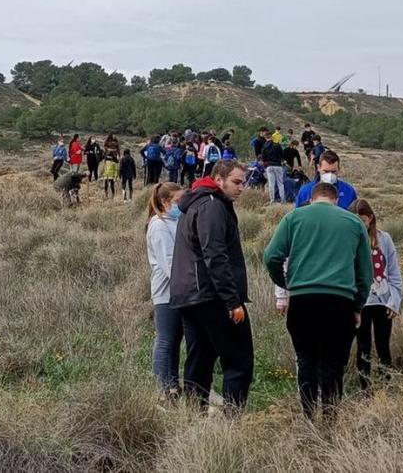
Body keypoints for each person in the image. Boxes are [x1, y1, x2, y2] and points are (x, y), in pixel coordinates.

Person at [264, 182, 371, 419]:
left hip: (303, 299)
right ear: (336, 200)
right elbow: (365, 272)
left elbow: (271, 256)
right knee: (334, 365)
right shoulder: (353, 222)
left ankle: (309, 417)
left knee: (306, 361)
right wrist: (358, 305)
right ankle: (331, 419)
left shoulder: (294, 218)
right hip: (340, 301)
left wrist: (285, 283)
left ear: (312, 199)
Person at [169, 161, 253, 412]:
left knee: (200, 358)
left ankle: (194, 415)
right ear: (219, 179)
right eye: (236, 182)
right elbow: (215, 255)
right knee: (239, 359)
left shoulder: (196, 203)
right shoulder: (212, 206)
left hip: (190, 295)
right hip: (210, 295)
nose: (242, 188)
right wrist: (232, 301)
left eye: (243, 182)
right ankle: (232, 420)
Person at [349, 198, 402, 391]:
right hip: (359, 303)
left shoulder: (384, 239)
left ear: (370, 218)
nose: (359, 224)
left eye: (362, 220)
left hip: (382, 301)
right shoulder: (347, 239)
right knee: (363, 347)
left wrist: (394, 301)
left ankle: (386, 386)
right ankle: (365, 389)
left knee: (383, 347)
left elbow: (394, 272)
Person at [146, 182, 185, 397]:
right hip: (166, 292)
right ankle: (163, 389)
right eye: (178, 201)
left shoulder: (175, 221)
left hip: (180, 291)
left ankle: (173, 385)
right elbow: (169, 261)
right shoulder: (159, 225)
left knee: (175, 340)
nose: (181, 205)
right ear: (164, 201)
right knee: (165, 340)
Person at [261, 137, 286, 204]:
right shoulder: (277, 145)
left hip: (269, 166)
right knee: (280, 183)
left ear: (266, 138)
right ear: (272, 138)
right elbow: (282, 155)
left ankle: (272, 200)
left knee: (271, 184)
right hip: (278, 166)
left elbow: (263, 158)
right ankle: (282, 200)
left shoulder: (264, 146)